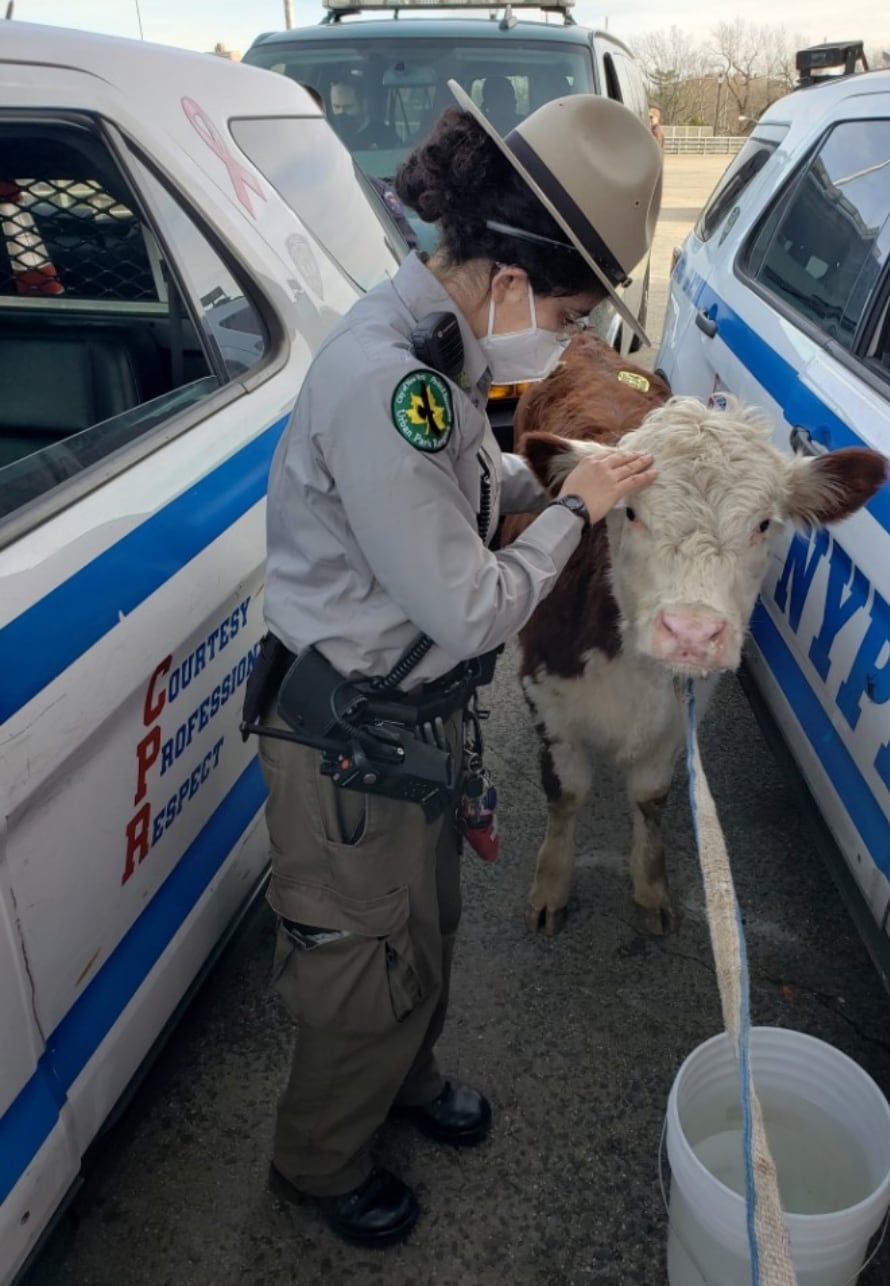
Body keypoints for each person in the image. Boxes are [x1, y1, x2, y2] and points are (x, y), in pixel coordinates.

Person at [244, 83, 663, 1249]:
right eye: (569, 314)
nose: (569, 341)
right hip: (348, 736)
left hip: (403, 721)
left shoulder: (439, 345)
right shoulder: (389, 383)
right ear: (512, 278)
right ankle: (319, 1161)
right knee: (357, 964)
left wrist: (571, 474)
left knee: (421, 928)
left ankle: (402, 1082)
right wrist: (575, 514)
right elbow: (472, 605)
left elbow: (471, 488)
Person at [328, 76, 399, 150]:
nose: (341, 112)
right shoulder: (327, 133)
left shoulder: (386, 136)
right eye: (336, 107)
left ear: (364, 105)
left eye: (348, 107)